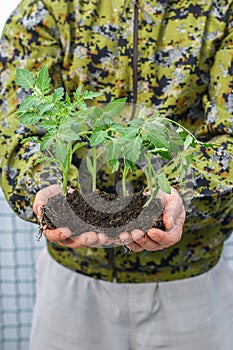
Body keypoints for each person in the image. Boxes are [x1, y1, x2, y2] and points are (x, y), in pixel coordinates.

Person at [0, 0, 233, 349]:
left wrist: (182, 193)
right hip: (73, 285)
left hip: (191, 280)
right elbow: (17, 128)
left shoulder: (220, 10)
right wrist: (47, 188)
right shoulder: (48, 7)